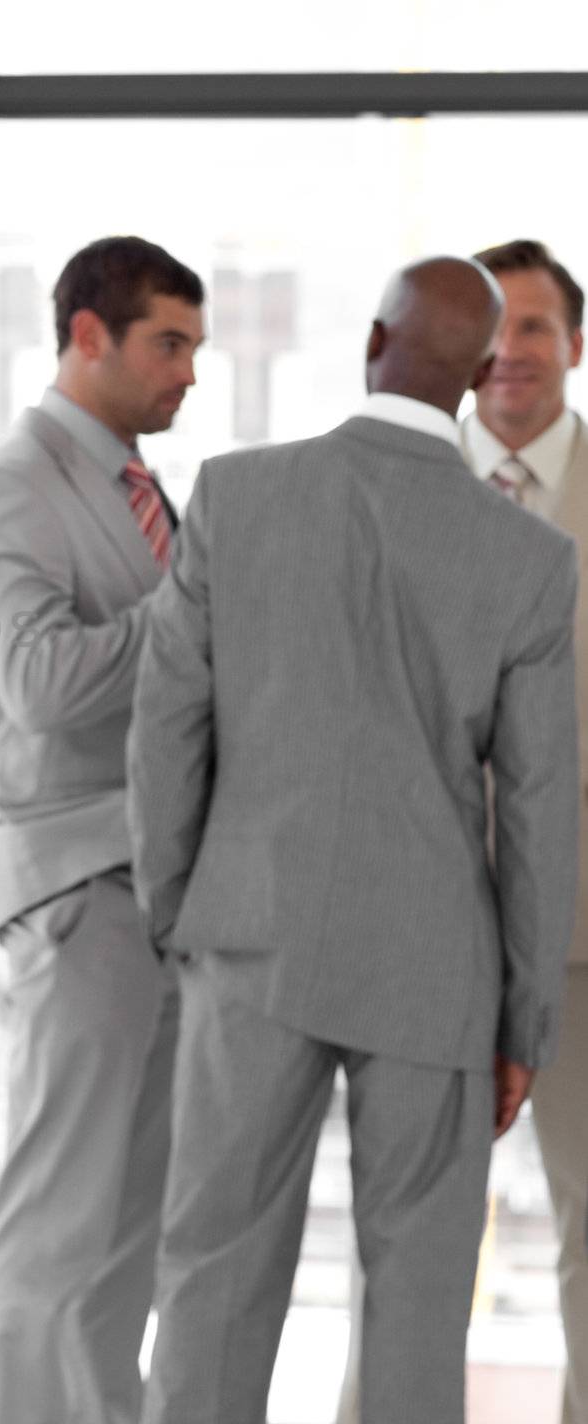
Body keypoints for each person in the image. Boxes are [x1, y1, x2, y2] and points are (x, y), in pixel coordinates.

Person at [130, 256, 580, 1424]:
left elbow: (165, 730)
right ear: (479, 374)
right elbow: (537, 810)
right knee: (417, 1308)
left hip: (250, 939)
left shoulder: (234, 494)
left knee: (213, 1283)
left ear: (370, 342)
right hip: (438, 975)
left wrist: (179, 908)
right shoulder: (531, 561)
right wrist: (521, 1018)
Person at [0, 235, 205, 1424]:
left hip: (161, 896)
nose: (187, 371)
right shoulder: (8, 486)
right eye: (168, 342)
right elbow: (35, 684)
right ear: (86, 335)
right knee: (50, 1230)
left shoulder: (141, 494)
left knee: (120, 1249)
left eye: (193, 347)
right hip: (76, 895)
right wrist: (201, 606)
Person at [337, 239, 588, 1424]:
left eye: (536, 328)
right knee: (398, 1244)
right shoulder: (390, 493)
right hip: (414, 932)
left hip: (582, 937)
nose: (510, 356)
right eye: (494, 334)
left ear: (574, 346)